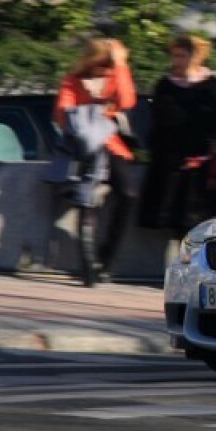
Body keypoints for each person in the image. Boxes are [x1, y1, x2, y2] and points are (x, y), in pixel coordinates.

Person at [53, 37, 139, 284]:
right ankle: (88, 267)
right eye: (103, 64)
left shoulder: (116, 75)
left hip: (111, 145)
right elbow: (61, 114)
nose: (107, 70)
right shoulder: (73, 81)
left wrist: (121, 64)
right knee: (85, 199)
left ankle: (107, 260)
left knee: (129, 193)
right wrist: (92, 113)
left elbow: (127, 101)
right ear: (90, 62)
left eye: (109, 65)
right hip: (82, 148)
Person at [137, 35, 216, 238]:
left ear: (194, 57)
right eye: (174, 56)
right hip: (172, 163)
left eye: (182, 55)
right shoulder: (165, 84)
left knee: (203, 220)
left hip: (202, 164)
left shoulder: (210, 85)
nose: (177, 61)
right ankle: (183, 264)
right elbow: (157, 120)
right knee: (176, 221)